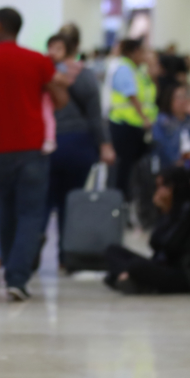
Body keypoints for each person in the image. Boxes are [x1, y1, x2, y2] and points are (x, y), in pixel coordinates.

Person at [0, 7, 70, 301]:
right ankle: (17, 278)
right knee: (31, 214)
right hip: (33, 149)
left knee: (6, 212)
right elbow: (60, 99)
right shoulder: (38, 61)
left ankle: (11, 270)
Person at [46, 25, 115, 267]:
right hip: (79, 144)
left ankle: (31, 255)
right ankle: (67, 256)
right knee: (71, 201)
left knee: (44, 203)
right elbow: (95, 116)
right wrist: (105, 145)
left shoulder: (45, 74)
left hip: (49, 143)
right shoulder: (85, 75)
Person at [104, 167, 190, 295]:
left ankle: (133, 280)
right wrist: (162, 214)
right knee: (112, 251)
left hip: (183, 274)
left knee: (135, 266)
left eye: (165, 186)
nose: (160, 191)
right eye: (158, 186)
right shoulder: (171, 210)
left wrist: (166, 213)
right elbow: (154, 243)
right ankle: (133, 280)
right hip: (162, 265)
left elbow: (170, 246)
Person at [107, 37, 158, 196]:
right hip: (124, 124)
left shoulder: (135, 69)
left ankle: (129, 200)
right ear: (134, 52)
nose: (144, 55)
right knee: (123, 169)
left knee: (131, 168)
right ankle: (120, 201)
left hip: (133, 125)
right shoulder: (124, 68)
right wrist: (144, 118)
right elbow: (132, 96)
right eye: (142, 51)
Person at [151, 81, 190, 172]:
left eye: (185, 97)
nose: (182, 101)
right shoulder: (163, 121)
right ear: (170, 100)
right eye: (178, 97)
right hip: (170, 167)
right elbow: (162, 147)